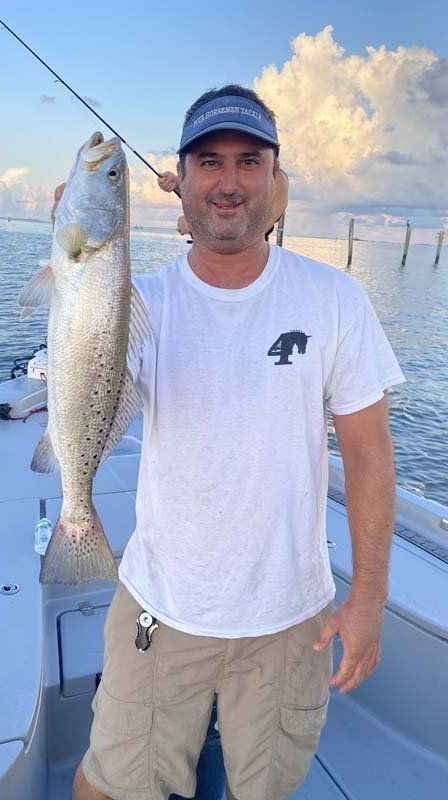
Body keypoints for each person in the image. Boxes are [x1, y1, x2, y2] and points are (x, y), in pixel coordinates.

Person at [68, 84, 406, 800]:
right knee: (108, 785)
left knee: (266, 790)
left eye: (249, 161)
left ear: (276, 181)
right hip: (162, 605)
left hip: (292, 618)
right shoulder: (141, 301)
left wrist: (369, 598)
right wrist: (77, 254)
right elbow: (84, 382)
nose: (229, 183)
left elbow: (371, 455)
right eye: (209, 163)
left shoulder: (335, 299)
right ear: (180, 185)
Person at [161, 166, 289, 243]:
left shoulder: (278, 178)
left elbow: (258, 228)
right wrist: (178, 185)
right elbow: (208, 202)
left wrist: (194, 225)